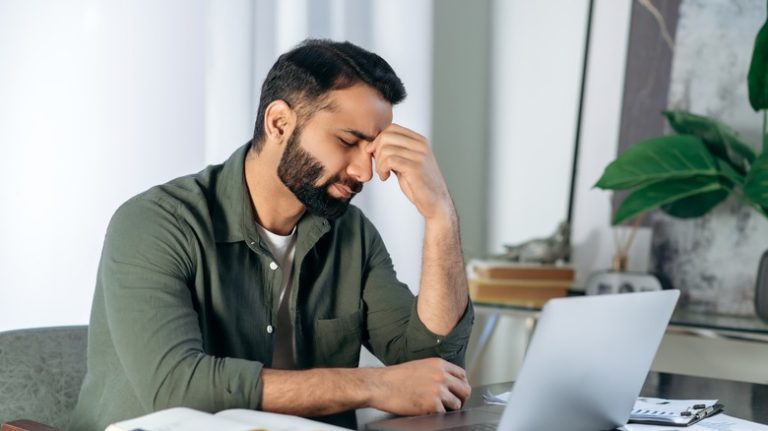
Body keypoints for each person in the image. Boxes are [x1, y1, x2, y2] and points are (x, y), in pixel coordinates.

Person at [69, 39, 474, 431]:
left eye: (371, 151)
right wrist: (372, 386)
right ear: (279, 122)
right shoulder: (154, 223)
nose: (364, 173)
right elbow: (178, 386)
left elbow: (431, 363)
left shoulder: (351, 234)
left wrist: (439, 217)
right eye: (347, 141)